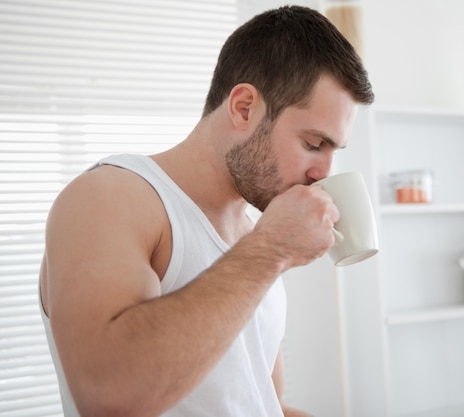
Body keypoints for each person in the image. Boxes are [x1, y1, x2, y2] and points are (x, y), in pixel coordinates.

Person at [39, 4, 374, 417]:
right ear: (244, 107)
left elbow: (260, 402)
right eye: (312, 144)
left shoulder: (256, 236)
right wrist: (272, 252)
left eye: (333, 150)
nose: (323, 172)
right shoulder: (109, 197)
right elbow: (107, 394)